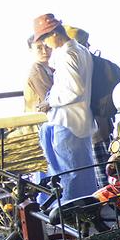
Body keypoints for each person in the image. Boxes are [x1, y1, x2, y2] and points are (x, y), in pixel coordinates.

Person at [32, 15, 98, 201]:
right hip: (80, 120)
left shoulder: (68, 55)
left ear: (54, 33)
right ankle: (88, 213)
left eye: (45, 38)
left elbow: (74, 89)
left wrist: (49, 102)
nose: (45, 44)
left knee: (70, 175)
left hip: (67, 121)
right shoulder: (81, 50)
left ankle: (72, 220)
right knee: (82, 172)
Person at [24, 35, 53, 113]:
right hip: (38, 121)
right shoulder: (36, 70)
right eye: (39, 48)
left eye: (47, 47)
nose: (44, 51)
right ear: (31, 50)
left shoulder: (51, 69)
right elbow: (48, 98)